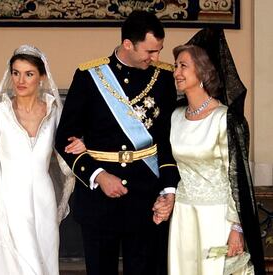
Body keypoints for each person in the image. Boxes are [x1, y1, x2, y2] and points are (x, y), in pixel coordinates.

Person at [55, 10, 180, 275]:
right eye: (150, 51)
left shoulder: (164, 78)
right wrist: (99, 176)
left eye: (159, 50)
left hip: (147, 194)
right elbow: (64, 137)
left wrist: (169, 188)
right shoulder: (89, 76)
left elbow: (168, 140)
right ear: (127, 44)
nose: (156, 58)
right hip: (99, 200)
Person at [0, 45, 85, 275]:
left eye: (29, 74)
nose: (20, 80)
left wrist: (83, 147)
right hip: (8, 203)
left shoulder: (55, 113)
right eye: (16, 72)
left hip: (44, 203)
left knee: (43, 263)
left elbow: (66, 155)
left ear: (42, 77)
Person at [168, 30, 265, 275]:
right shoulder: (175, 116)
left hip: (217, 218)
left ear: (202, 71)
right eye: (176, 66)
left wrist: (237, 229)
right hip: (183, 216)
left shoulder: (226, 119)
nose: (176, 72)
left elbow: (236, 177)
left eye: (183, 66)